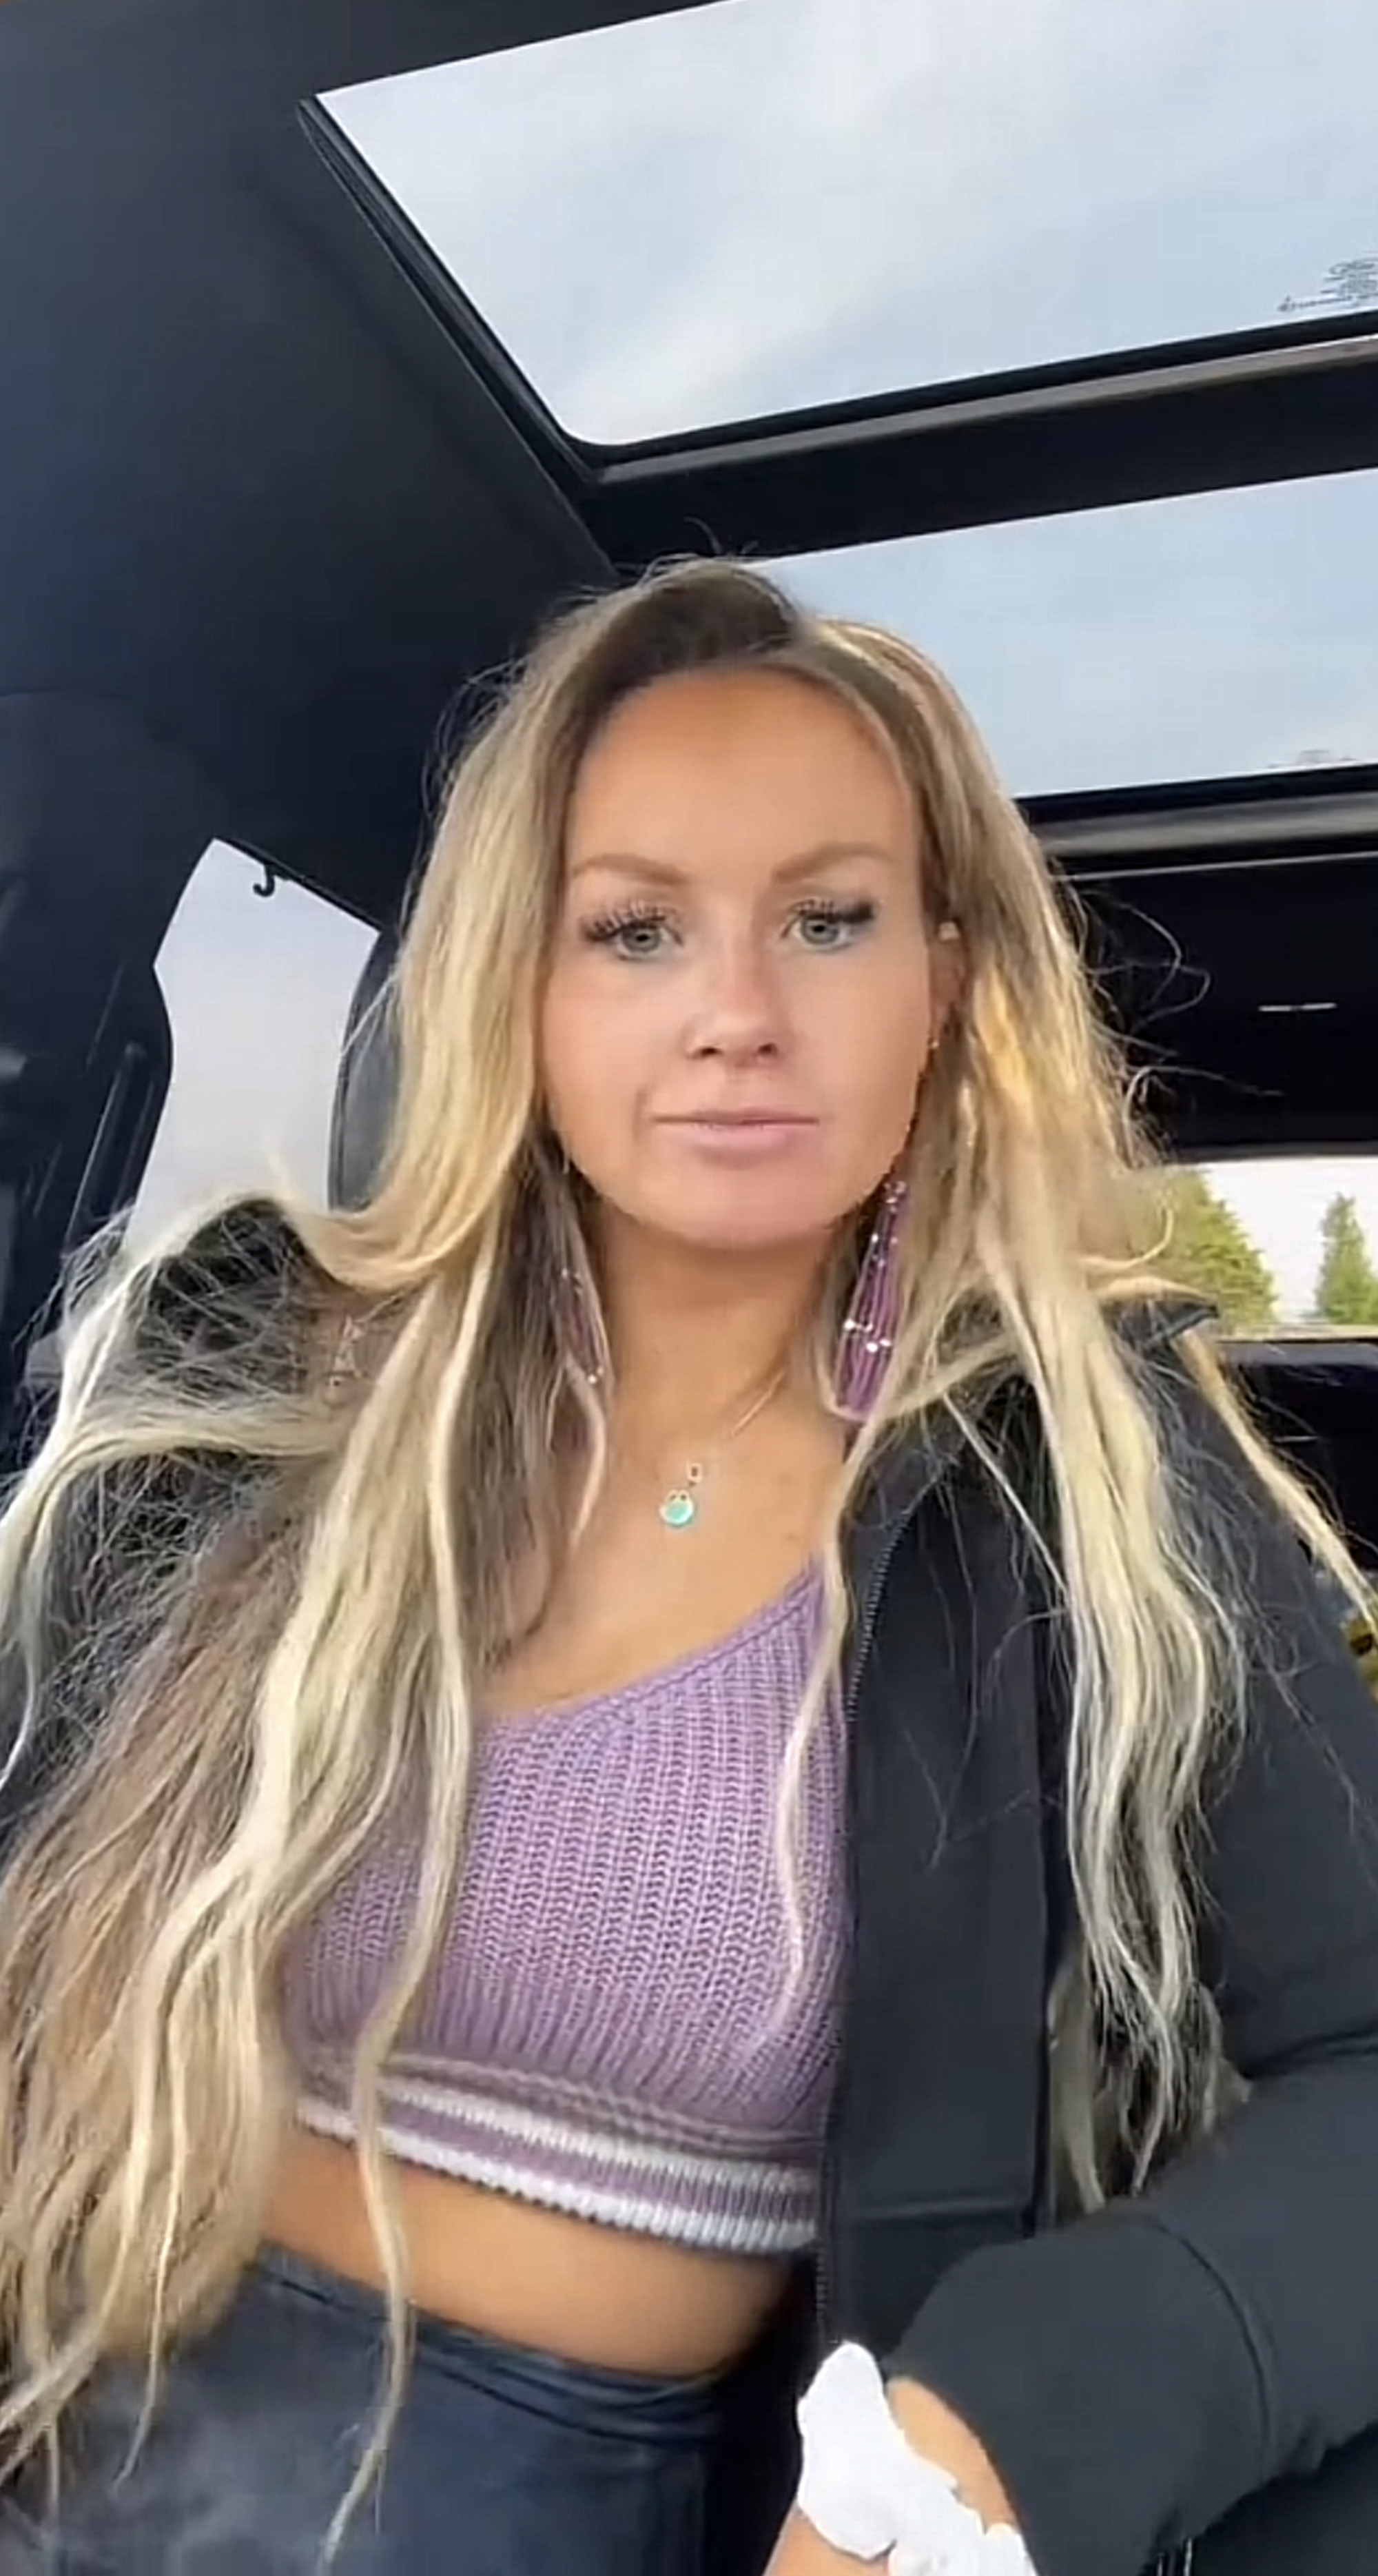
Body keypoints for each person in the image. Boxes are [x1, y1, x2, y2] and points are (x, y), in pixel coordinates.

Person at [1, 558, 1377, 2576]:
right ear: (525, 987)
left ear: (944, 981)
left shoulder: (1083, 1478)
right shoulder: (256, 1366)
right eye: (636, 928)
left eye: (828, 919)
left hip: (535, 2507)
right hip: (57, 2385)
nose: (738, 1015)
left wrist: (990, 2435)